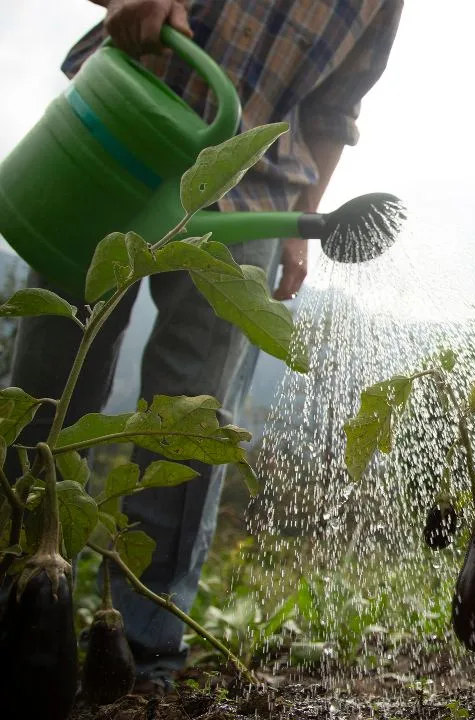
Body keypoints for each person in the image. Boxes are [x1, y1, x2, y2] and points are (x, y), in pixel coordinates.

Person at [5, 0, 403, 693]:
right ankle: (18, 603)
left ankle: (142, 646)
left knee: (190, 427)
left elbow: (334, 110)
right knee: (47, 390)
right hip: (124, 131)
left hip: (250, 195)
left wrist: (301, 223)